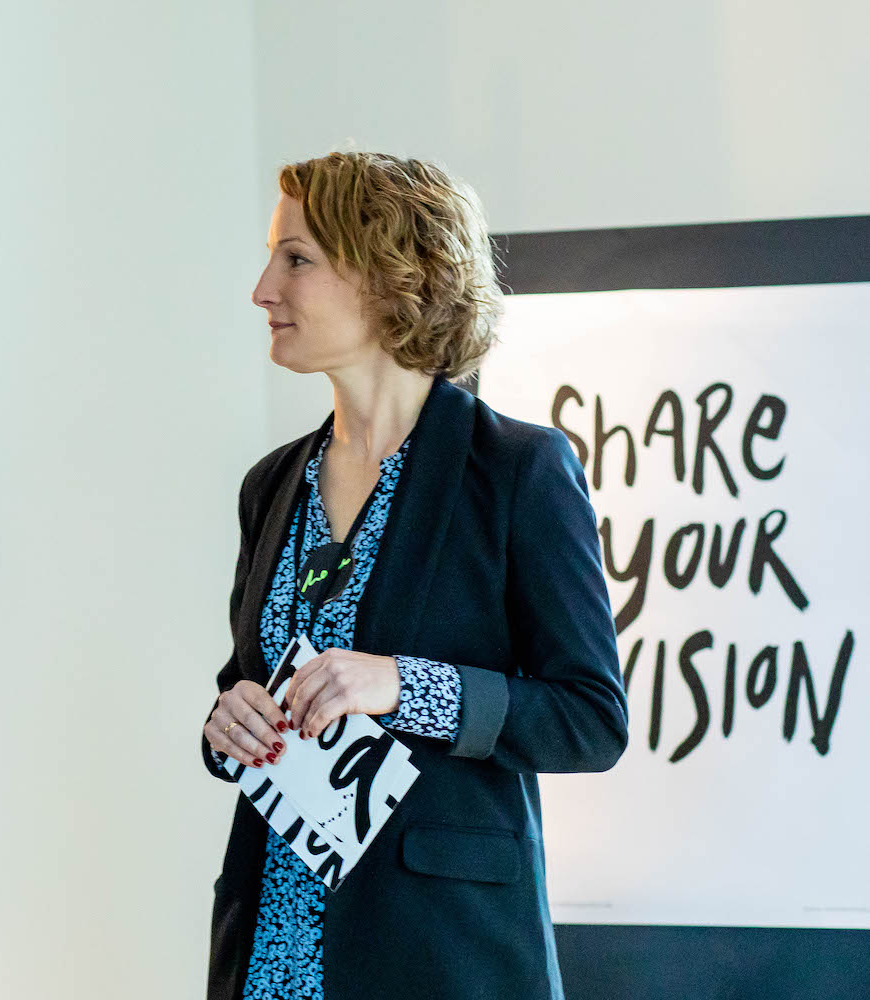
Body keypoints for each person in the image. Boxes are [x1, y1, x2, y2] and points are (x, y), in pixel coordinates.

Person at [201, 151, 627, 1000]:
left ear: (388, 276)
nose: (263, 290)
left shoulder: (519, 472)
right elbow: (245, 684)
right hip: (272, 949)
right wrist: (228, 723)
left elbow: (590, 719)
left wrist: (404, 685)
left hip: (441, 956)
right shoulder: (270, 484)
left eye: (296, 259)